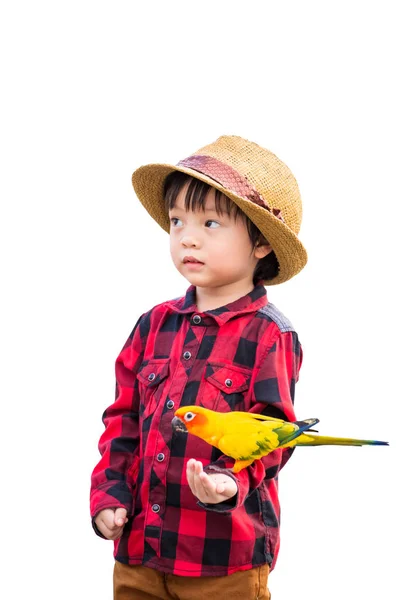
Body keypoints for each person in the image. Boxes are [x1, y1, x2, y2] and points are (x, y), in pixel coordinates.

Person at [90, 135, 308, 599]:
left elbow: (274, 434)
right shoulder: (153, 325)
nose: (187, 236)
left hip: (222, 563)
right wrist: (108, 495)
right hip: (139, 555)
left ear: (262, 243)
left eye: (210, 222)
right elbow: (122, 421)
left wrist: (228, 481)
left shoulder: (270, 336)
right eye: (177, 221)